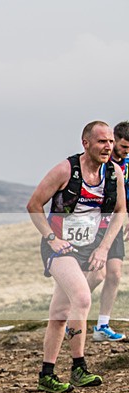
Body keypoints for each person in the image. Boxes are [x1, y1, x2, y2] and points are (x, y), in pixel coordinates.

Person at [26, 121, 126, 393]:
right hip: (59, 247)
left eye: (110, 142)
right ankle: (79, 367)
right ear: (86, 143)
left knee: (59, 312)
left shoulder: (114, 173)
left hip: (90, 247)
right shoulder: (65, 170)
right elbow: (34, 205)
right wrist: (51, 238)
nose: (108, 147)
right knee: (82, 298)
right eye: (101, 142)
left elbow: (120, 212)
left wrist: (103, 248)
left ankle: (47, 374)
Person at [85, 121, 129, 341]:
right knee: (97, 274)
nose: (124, 150)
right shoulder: (101, 160)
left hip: (115, 223)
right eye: (122, 146)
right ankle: (70, 314)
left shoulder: (128, 164)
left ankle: (102, 326)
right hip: (94, 224)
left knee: (115, 274)